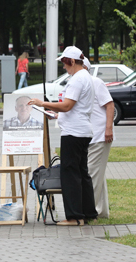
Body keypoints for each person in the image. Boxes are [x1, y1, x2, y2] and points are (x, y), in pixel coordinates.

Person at [28, 46, 97, 226]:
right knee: (82, 172)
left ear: (72, 61)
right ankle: (88, 212)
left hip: (73, 132)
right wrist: (57, 113)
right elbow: (74, 108)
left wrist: (42, 103)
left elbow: (67, 105)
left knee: (70, 174)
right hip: (83, 130)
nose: (64, 68)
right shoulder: (87, 77)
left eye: (65, 64)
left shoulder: (76, 79)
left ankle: (74, 217)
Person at [83, 57, 114, 219]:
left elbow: (110, 105)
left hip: (100, 136)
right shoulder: (82, 84)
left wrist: (108, 129)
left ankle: (89, 212)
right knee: (97, 174)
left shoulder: (95, 82)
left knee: (92, 174)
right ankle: (100, 211)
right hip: (89, 136)